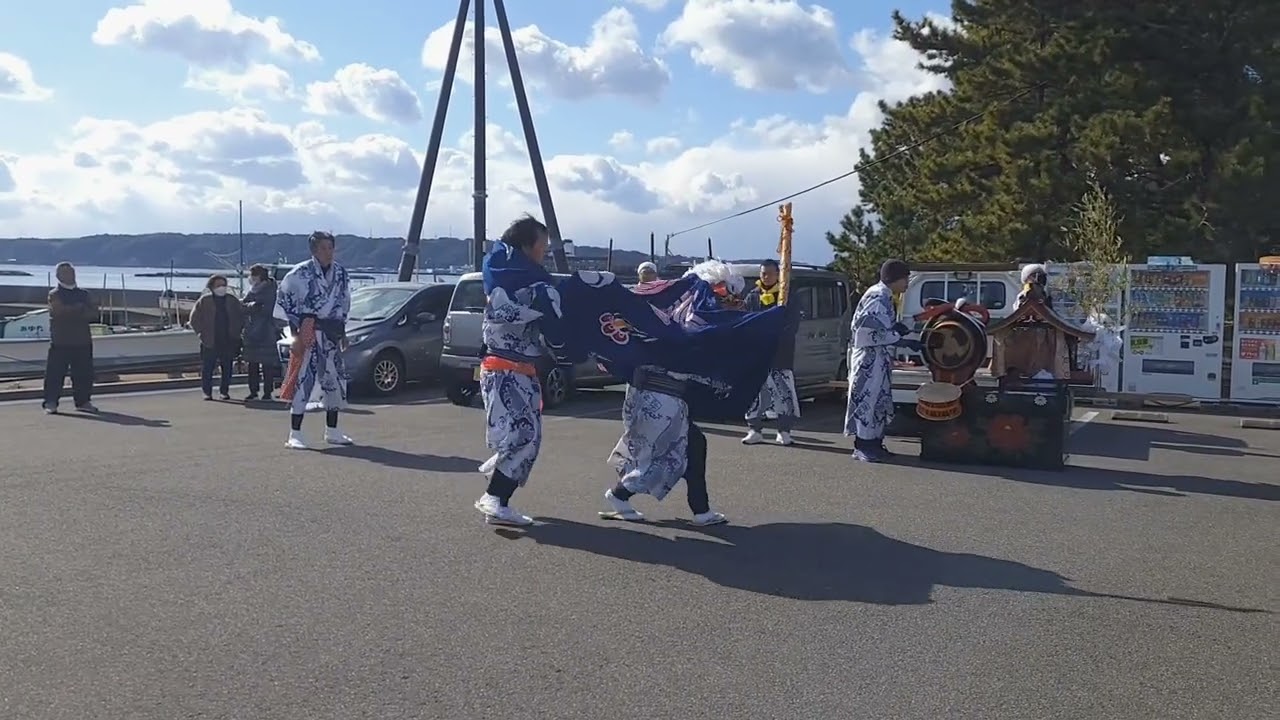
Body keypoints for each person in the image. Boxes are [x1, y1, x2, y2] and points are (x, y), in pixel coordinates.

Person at [474, 215, 566, 527]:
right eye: (542, 247)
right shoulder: (506, 282)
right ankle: (495, 498)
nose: (545, 253)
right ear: (526, 247)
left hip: (521, 371)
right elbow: (504, 312)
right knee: (524, 434)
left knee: (530, 436)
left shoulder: (529, 281)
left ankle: (498, 493)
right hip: (503, 370)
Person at [600, 366, 728, 526]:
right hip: (664, 400)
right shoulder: (672, 345)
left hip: (644, 396)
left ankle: (701, 509)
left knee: (687, 448)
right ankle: (620, 494)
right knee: (672, 454)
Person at [275, 231, 355, 449]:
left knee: (335, 382)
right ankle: (295, 433)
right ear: (314, 250)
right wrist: (295, 335)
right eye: (323, 248)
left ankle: (333, 430)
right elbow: (285, 302)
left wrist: (343, 333)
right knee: (304, 381)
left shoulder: (340, 273)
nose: (328, 252)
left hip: (331, 332)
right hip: (308, 329)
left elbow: (344, 303)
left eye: (330, 248)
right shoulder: (299, 274)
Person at [844, 259, 922, 462]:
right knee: (867, 401)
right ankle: (862, 445)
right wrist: (900, 338)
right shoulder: (877, 297)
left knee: (879, 401)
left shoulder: (885, 296)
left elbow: (884, 327)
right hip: (868, 361)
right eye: (906, 278)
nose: (907, 282)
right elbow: (866, 333)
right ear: (895, 278)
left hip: (879, 359)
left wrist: (899, 329)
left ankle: (875, 443)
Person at [741, 259, 801, 446]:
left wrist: (775, 337)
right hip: (757, 355)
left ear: (778, 274)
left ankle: (784, 430)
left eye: (769, 273)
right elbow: (746, 322)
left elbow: (792, 325)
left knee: (783, 392)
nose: (766, 277)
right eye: (763, 273)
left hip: (780, 354)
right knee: (755, 394)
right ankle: (754, 429)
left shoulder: (787, 296)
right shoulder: (752, 296)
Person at [42, 262, 99, 414]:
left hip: (82, 340)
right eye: (66, 272)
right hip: (60, 340)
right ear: (58, 276)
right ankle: (51, 401)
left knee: (84, 374)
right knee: (55, 374)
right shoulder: (54, 294)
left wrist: (74, 311)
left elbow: (94, 313)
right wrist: (79, 309)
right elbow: (59, 312)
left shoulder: (85, 294)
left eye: (72, 271)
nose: (70, 275)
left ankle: (83, 401)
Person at [187, 274, 244, 401]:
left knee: (227, 368)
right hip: (209, 340)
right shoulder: (204, 300)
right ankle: (207, 392)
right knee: (208, 368)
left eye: (224, 285)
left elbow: (241, 316)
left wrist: (237, 331)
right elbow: (194, 319)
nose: (221, 288)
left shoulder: (232, 300)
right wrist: (201, 333)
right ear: (212, 287)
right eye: (218, 285)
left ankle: (224, 392)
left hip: (228, 339)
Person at [240, 264, 282, 401]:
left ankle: (267, 392)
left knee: (267, 364)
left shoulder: (270, 290)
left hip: (266, 331)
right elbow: (245, 306)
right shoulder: (253, 290)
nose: (250, 278)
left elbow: (264, 309)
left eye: (252, 275)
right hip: (252, 332)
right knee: (252, 364)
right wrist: (251, 306)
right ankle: (253, 391)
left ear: (258, 276)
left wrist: (251, 307)